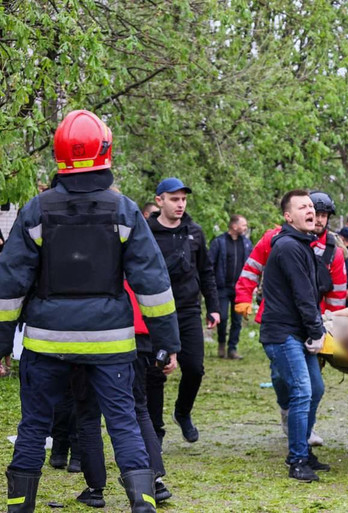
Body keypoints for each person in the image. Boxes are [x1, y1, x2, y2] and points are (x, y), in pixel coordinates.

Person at [0, 109, 180, 512]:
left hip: (46, 342)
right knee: (124, 423)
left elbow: (8, 286)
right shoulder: (124, 210)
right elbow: (153, 283)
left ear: (59, 155)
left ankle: (17, 507)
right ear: (107, 151)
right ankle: (144, 505)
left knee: (32, 426)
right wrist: (166, 344)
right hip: (110, 342)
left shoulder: (36, 210)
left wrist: (0, 346)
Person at [235, 190, 346, 446]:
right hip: (279, 319)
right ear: (291, 216)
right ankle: (289, 416)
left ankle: (305, 428)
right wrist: (243, 296)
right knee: (281, 376)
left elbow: (337, 294)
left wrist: (332, 325)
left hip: (312, 323)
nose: (317, 219)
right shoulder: (277, 239)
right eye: (311, 212)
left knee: (312, 386)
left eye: (322, 215)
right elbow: (252, 269)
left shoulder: (333, 252)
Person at [74, 283, 174, 508]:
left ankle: (95, 488)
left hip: (89, 334)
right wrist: (168, 344)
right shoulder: (136, 249)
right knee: (138, 408)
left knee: (88, 413)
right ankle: (155, 481)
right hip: (136, 333)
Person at [257, 190, 329, 483]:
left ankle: (303, 452)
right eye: (303, 207)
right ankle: (297, 459)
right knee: (302, 391)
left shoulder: (304, 245)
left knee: (316, 388)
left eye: (311, 206)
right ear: (288, 217)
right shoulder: (288, 246)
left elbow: (310, 294)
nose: (310, 211)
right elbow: (302, 295)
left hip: (298, 332)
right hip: (282, 333)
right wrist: (317, 332)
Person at [147, 178, 220, 445]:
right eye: (174, 199)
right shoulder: (146, 232)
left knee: (194, 368)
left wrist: (213, 308)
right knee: (156, 372)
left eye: (183, 199)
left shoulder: (195, 231)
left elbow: (206, 272)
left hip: (188, 310)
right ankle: (155, 432)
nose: (180, 204)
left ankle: (183, 412)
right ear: (160, 201)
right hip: (155, 311)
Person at [209, 214, 253, 359]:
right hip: (222, 287)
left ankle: (232, 348)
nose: (245, 228)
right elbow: (209, 265)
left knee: (237, 320)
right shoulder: (219, 242)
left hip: (239, 288)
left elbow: (251, 266)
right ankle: (221, 343)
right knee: (222, 317)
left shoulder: (247, 244)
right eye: (243, 225)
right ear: (234, 226)